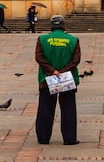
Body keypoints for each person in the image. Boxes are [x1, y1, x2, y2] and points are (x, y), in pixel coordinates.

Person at [35, 15, 80, 146]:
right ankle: (69, 138)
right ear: (64, 26)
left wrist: (52, 71)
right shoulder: (73, 40)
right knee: (68, 109)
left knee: (45, 108)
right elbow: (76, 60)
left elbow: (39, 57)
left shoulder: (42, 39)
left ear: (51, 27)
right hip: (67, 79)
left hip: (47, 79)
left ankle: (43, 138)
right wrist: (63, 71)